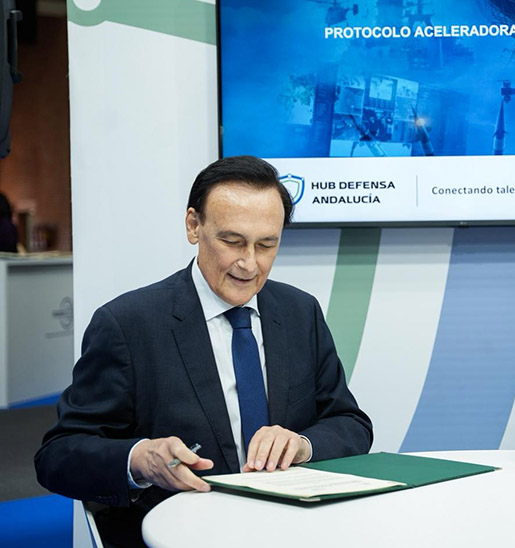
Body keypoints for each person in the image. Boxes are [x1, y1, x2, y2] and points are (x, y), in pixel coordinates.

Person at [35, 156, 373, 547]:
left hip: (294, 530)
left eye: (267, 245)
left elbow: (350, 423)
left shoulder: (300, 312)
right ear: (193, 225)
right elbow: (57, 455)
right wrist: (140, 459)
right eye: (232, 242)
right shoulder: (128, 324)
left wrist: (302, 444)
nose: (250, 264)